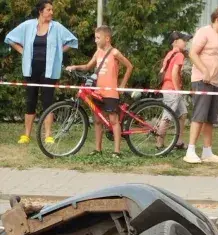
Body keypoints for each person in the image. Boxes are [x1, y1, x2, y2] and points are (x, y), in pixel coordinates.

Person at [5, 0, 78, 145]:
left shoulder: (56, 27)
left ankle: (48, 135)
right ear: (41, 11)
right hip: (31, 69)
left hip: (49, 70)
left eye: (52, 10)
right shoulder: (28, 25)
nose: (51, 12)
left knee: (47, 102)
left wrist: (59, 52)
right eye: (48, 10)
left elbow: (72, 41)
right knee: (30, 101)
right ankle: (26, 135)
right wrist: (23, 51)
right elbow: (10, 38)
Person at [66, 25, 133, 158]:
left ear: (107, 38)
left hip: (110, 92)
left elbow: (129, 66)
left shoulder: (115, 52)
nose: (95, 40)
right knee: (97, 120)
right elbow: (87, 66)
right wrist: (75, 67)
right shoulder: (98, 52)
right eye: (95, 38)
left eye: (98, 38)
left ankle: (117, 151)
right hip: (98, 91)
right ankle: (98, 149)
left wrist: (122, 85)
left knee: (114, 121)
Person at [184, 7, 218, 164]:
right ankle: (190, 151)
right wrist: (204, 70)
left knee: (211, 119)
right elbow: (192, 53)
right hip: (201, 80)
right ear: (217, 19)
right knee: (199, 115)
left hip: (217, 83)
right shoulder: (204, 32)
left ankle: (207, 152)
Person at [158, 31, 191, 151]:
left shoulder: (169, 54)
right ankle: (159, 143)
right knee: (167, 117)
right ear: (175, 42)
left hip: (167, 88)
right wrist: (178, 90)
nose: (186, 42)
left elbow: (162, 71)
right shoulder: (179, 55)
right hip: (172, 89)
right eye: (184, 40)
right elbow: (174, 74)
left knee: (182, 114)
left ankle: (179, 141)